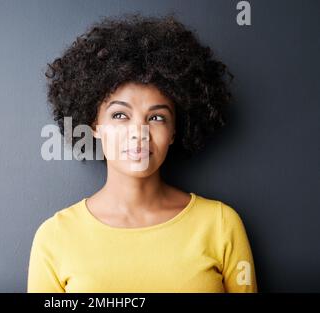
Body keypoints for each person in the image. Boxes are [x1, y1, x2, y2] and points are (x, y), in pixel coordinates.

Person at [27, 13, 257, 293]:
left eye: (157, 118)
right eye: (121, 115)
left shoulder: (220, 225)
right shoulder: (55, 238)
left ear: (173, 131)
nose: (139, 132)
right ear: (94, 125)